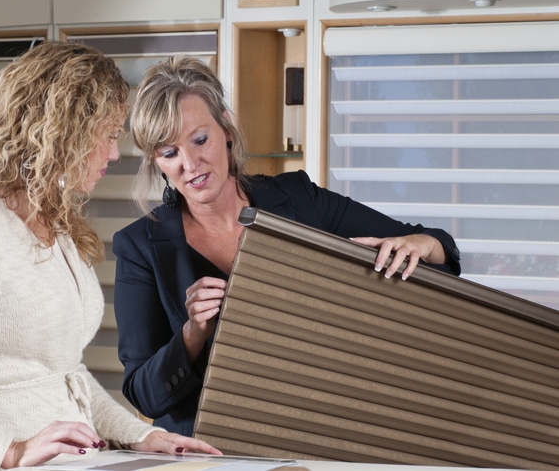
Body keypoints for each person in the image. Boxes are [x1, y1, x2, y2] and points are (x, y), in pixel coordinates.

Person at [0, 42, 221, 471]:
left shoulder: (55, 225)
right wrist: (7, 452)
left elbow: (64, 377)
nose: (112, 153)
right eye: (107, 135)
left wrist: (143, 435)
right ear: (63, 130)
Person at [112, 56, 462, 437]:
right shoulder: (139, 246)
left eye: (200, 140)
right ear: (156, 162)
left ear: (226, 128)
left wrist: (423, 244)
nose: (191, 163)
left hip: (317, 435)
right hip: (210, 452)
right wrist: (192, 334)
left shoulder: (299, 198)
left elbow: (437, 253)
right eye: (169, 152)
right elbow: (143, 395)